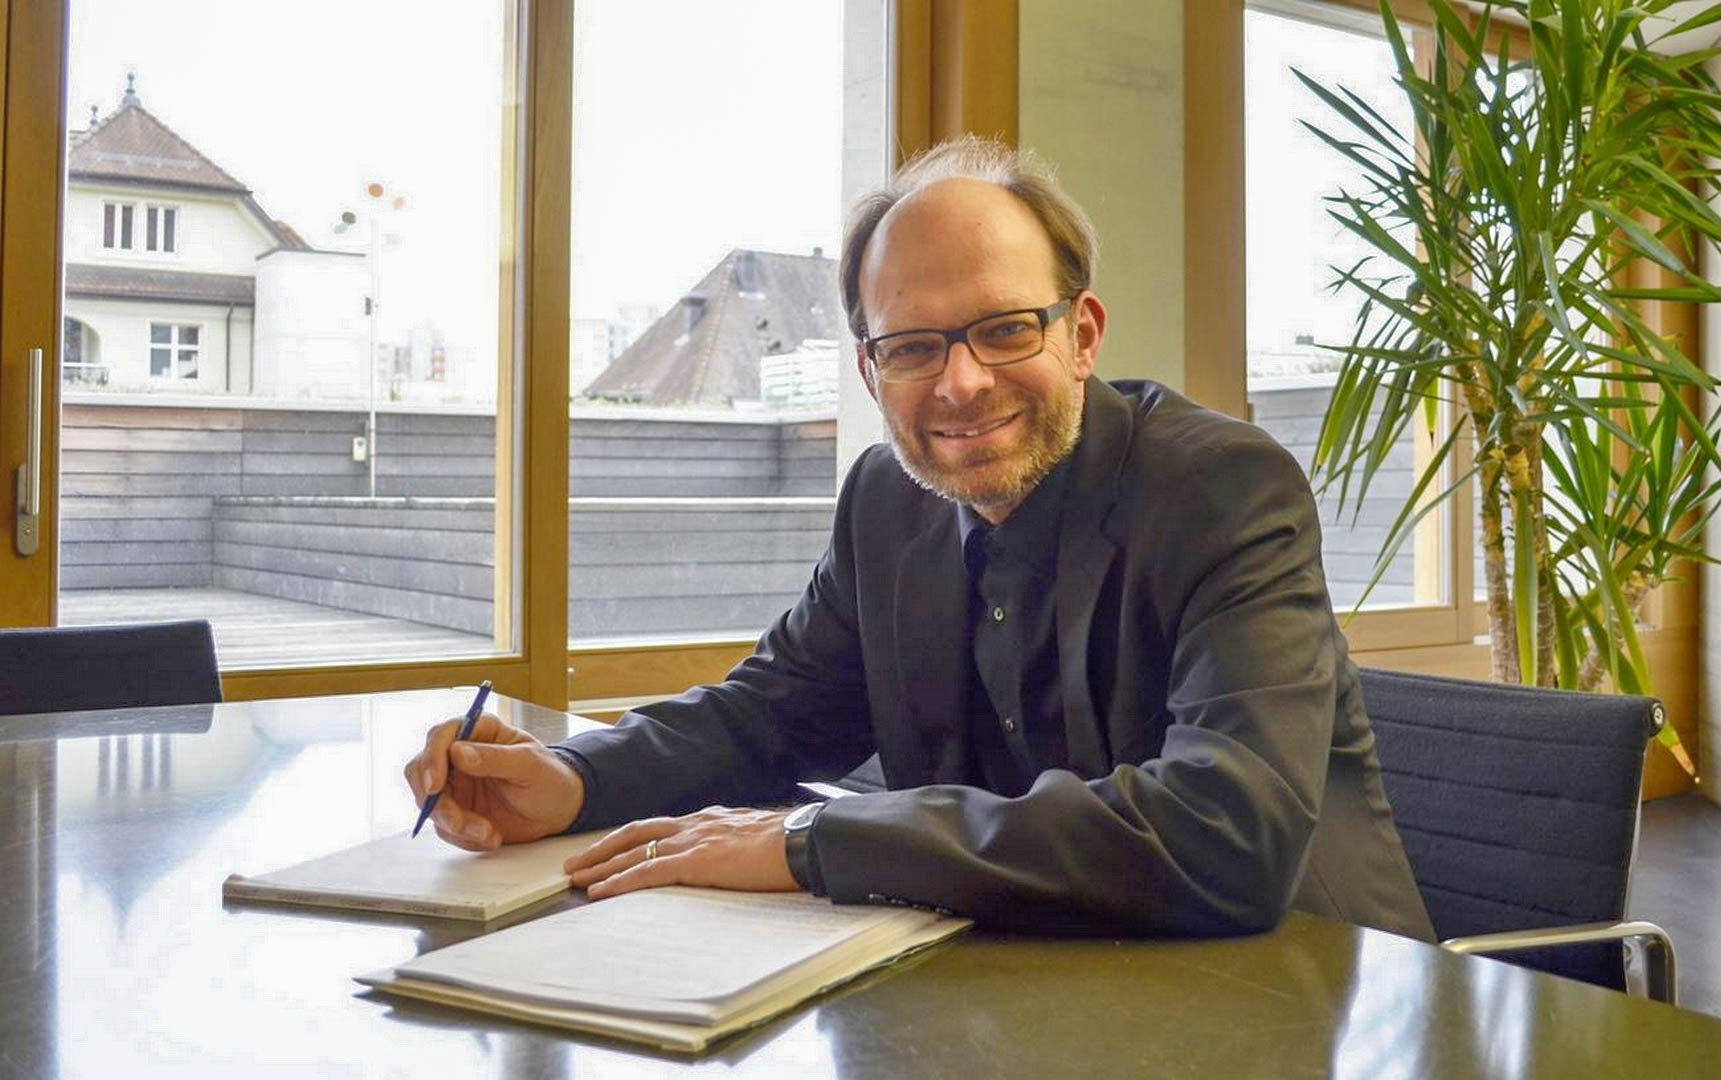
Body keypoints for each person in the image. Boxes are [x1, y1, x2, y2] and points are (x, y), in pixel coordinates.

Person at [405, 136, 1434, 940]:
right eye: (912, 346)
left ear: (1082, 336)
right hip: (1016, 992)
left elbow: (1226, 833)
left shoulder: (1221, 487)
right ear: (869, 371)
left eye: (1004, 328)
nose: (960, 382)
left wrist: (811, 838)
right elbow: (769, 719)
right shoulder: (885, 503)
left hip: (1300, 997)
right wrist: (577, 778)